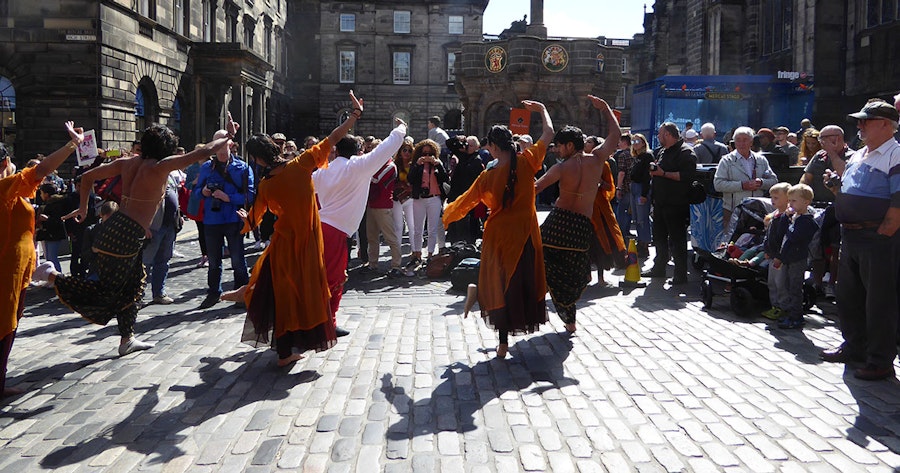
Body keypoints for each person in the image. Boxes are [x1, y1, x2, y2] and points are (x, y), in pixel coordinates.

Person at [40, 120, 234, 357]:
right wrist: (227, 137)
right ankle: (50, 274)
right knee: (108, 292)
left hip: (115, 228)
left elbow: (88, 177)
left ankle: (126, 339)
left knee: (133, 286)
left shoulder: (128, 162)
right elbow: (203, 152)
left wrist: (83, 208)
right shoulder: (160, 167)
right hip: (127, 234)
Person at [220, 127, 352, 366]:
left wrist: (245, 220)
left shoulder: (266, 184)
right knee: (304, 295)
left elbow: (254, 219)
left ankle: (250, 294)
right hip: (307, 244)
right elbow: (333, 138)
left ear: (257, 159)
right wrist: (354, 115)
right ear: (275, 148)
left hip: (284, 245)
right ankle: (249, 294)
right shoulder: (301, 164)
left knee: (282, 296)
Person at [442, 100, 553, 358]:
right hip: (525, 233)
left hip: (500, 236)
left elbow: (466, 202)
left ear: (492, 147)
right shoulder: (528, 161)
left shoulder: (488, 177)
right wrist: (542, 110)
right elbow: (548, 134)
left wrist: (446, 214)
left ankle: (502, 343)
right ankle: (523, 327)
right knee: (521, 282)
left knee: (500, 285)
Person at [1, 121, 83, 397]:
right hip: (7, 271)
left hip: (18, 269)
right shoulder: (5, 187)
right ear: (6, 163)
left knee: (8, 324)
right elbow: (42, 169)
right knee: (4, 326)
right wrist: (72, 144)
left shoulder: (10, 191)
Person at [820, 99, 900, 381]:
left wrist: (884, 233)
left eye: (866, 121)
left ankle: (880, 360)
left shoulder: (896, 154)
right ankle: (854, 347)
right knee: (848, 297)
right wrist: (836, 189)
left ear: (885, 125)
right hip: (851, 235)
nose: (860, 125)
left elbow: (898, 200)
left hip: (875, 237)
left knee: (879, 302)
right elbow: (849, 191)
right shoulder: (858, 155)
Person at [313, 97, 406, 337]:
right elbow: (390, 144)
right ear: (358, 152)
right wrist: (401, 127)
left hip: (319, 228)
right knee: (334, 279)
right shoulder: (358, 166)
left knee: (323, 277)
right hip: (335, 231)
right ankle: (326, 323)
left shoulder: (321, 173)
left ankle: (320, 320)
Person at [535, 96, 620, 332]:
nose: (557, 150)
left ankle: (535, 299)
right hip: (582, 224)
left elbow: (535, 188)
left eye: (560, 146)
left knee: (538, 256)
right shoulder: (597, 160)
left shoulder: (560, 167)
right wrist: (605, 109)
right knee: (572, 270)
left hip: (559, 222)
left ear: (570, 146)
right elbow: (614, 136)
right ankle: (570, 320)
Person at [194, 128, 255, 309]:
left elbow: (250, 195)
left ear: (230, 143)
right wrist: (204, 192)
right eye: (216, 142)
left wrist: (228, 198)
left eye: (223, 141)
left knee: (237, 259)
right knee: (214, 260)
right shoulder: (206, 167)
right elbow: (196, 193)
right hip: (212, 220)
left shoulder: (242, 168)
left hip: (233, 219)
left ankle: (242, 292)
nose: (219, 146)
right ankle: (214, 292)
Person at [641, 122, 697, 285]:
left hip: (676, 203)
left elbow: (687, 176)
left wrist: (663, 173)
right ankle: (659, 268)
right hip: (660, 202)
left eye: (660, 134)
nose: (658, 137)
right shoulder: (663, 151)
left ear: (668, 135)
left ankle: (680, 275)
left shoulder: (685, 152)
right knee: (658, 237)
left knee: (677, 239)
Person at [770, 184, 818, 329]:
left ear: (806, 202)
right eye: (789, 201)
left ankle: (796, 317)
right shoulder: (794, 217)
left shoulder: (807, 221)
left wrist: (790, 224)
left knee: (795, 288)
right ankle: (791, 313)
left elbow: (794, 236)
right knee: (788, 286)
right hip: (788, 257)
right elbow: (781, 233)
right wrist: (786, 218)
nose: (790, 204)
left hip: (798, 258)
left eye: (794, 201)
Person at [713, 126, 778, 225]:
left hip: (757, 210)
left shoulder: (761, 160)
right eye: (738, 140)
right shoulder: (726, 161)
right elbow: (718, 184)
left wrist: (761, 183)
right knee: (731, 240)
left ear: (751, 142)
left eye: (745, 140)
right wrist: (742, 185)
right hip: (732, 210)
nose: (741, 143)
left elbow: (774, 181)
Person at [142, 167, 185, 305]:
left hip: (169, 225)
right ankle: (138, 295)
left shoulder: (170, 175)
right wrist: (144, 225)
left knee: (163, 261)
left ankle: (159, 293)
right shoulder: (148, 176)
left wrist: (179, 215)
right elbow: (143, 201)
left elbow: (174, 196)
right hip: (154, 226)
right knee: (145, 263)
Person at [407, 139, 449, 266]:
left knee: (433, 229)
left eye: (429, 153)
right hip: (419, 199)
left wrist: (438, 165)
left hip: (434, 198)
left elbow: (445, 179)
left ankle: (430, 254)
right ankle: (417, 253)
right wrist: (417, 165)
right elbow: (410, 179)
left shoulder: (438, 164)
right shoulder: (416, 164)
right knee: (417, 229)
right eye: (424, 153)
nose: (426, 156)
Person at [364, 155, 403, 277]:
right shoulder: (378, 164)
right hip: (372, 204)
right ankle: (372, 264)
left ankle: (396, 265)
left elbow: (375, 179)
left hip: (383, 205)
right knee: (371, 237)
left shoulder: (390, 166)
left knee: (390, 237)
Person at [760, 183, 791, 321]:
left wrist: (779, 256)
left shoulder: (788, 217)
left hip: (781, 257)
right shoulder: (774, 216)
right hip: (772, 255)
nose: (773, 200)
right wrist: (767, 249)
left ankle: (783, 307)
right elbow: (768, 236)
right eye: (771, 197)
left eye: (776, 197)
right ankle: (775, 306)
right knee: (771, 282)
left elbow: (785, 239)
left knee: (781, 283)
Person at [445, 135, 485, 244]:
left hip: (469, 196)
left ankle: (469, 245)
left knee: (469, 224)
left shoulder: (477, 160)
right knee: (455, 222)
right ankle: (456, 243)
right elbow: (448, 143)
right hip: (457, 194)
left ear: (477, 147)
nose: (468, 147)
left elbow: (470, 175)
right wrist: (459, 138)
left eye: (471, 145)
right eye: (467, 144)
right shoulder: (462, 155)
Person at [628, 134, 653, 258]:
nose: (635, 143)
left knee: (642, 218)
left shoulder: (647, 156)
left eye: (637, 141)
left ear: (643, 143)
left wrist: (644, 194)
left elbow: (647, 176)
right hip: (634, 187)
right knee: (637, 218)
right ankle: (641, 241)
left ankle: (645, 244)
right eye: (633, 141)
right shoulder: (637, 157)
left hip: (641, 188)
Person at [392, 141, 415, 259]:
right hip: (397, 199)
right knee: (398, 226)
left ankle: (415, 251)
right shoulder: (395, 165)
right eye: (404, 150)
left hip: (411, 199)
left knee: (412, 225)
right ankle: (397, 253)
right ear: (400, 152)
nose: (407, 153)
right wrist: (401, 185)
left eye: (409, 150)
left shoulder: (415, 165)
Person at [613, 133, 634, 238]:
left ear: (625, 142)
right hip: (634, 186)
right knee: (629, 211)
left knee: (621, 210)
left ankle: (620, 232)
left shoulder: (622, 155)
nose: (619, 143)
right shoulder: (634, 153)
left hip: (625, 187)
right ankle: (627, 230)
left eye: (620, 141)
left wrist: (618, 187)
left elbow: (621, 172)